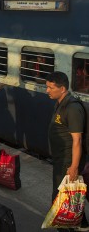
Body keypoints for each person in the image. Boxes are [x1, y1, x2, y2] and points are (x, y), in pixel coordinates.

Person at [45, 71, 89, 231]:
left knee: (59, 200)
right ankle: (82, 224)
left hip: (67, 161)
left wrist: (74, 167)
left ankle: (66, 227)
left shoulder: (72, 109)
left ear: (62, 88)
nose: (47, 90)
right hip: (60, 159)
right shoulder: (61, 103)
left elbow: (77, 140)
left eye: (50, 87)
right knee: (70, 197)